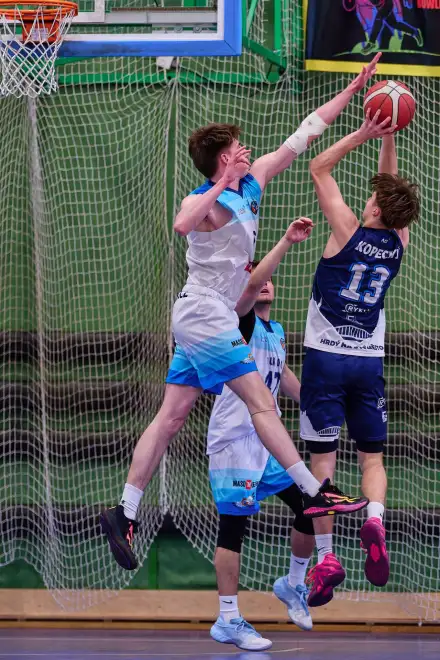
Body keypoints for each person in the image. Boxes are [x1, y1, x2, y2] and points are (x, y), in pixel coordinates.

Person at [99, 56, 382, 572]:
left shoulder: (254, 182)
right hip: (205, 315)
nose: (247, 152)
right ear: (222, 160)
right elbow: (183, 224)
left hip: (207, 318)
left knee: (171, 416)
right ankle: (313, 490)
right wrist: (221, 181)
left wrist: (353, 89)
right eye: (236, 150)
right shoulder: (206, 202)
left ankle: (125, 511)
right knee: (261, 403)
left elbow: (304, 133)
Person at [302, 111, 420, 607]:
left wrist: (366, 133)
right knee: (372, 457)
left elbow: (318, 167)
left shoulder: (348, 229)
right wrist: (390, 139)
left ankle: (328, 556)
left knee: (322, 462)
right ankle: (374, 519)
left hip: (325, 359)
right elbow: (389, 191)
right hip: (367, 362)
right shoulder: (398, 243)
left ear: (373, 207)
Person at [208, 219, 315, 651]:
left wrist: (316, 403)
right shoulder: (242, 323)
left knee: (310, 504)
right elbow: (251, 286)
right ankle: (228, 618)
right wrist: (284, 242)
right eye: (257, 276)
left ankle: (292, 583)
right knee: (233, 528)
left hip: (265, 444)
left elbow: (283, 377)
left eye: (268, 277)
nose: (265, 281)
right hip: (235, 438)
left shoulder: (276, 331)